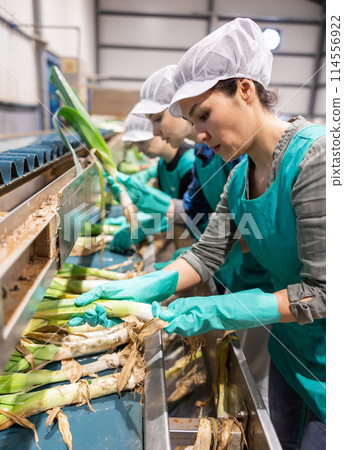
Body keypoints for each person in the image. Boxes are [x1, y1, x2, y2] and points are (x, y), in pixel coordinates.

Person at [73, 18, 325, 448]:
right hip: (289, 352)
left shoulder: (316, 161)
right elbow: (206, 254)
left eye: (204, 115)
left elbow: (323, 294)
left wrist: (218, 311)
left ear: (245, 90)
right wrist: (142, 286)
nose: (201, 136)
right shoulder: (240, 175)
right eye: (193, 121)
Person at [107, 112, 195, 253]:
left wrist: (144, 227)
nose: (140, 150)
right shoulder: (162, 163)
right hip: (180, 241)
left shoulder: (189, 165)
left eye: (142, 143)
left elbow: (193, 216)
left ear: (160, 133)